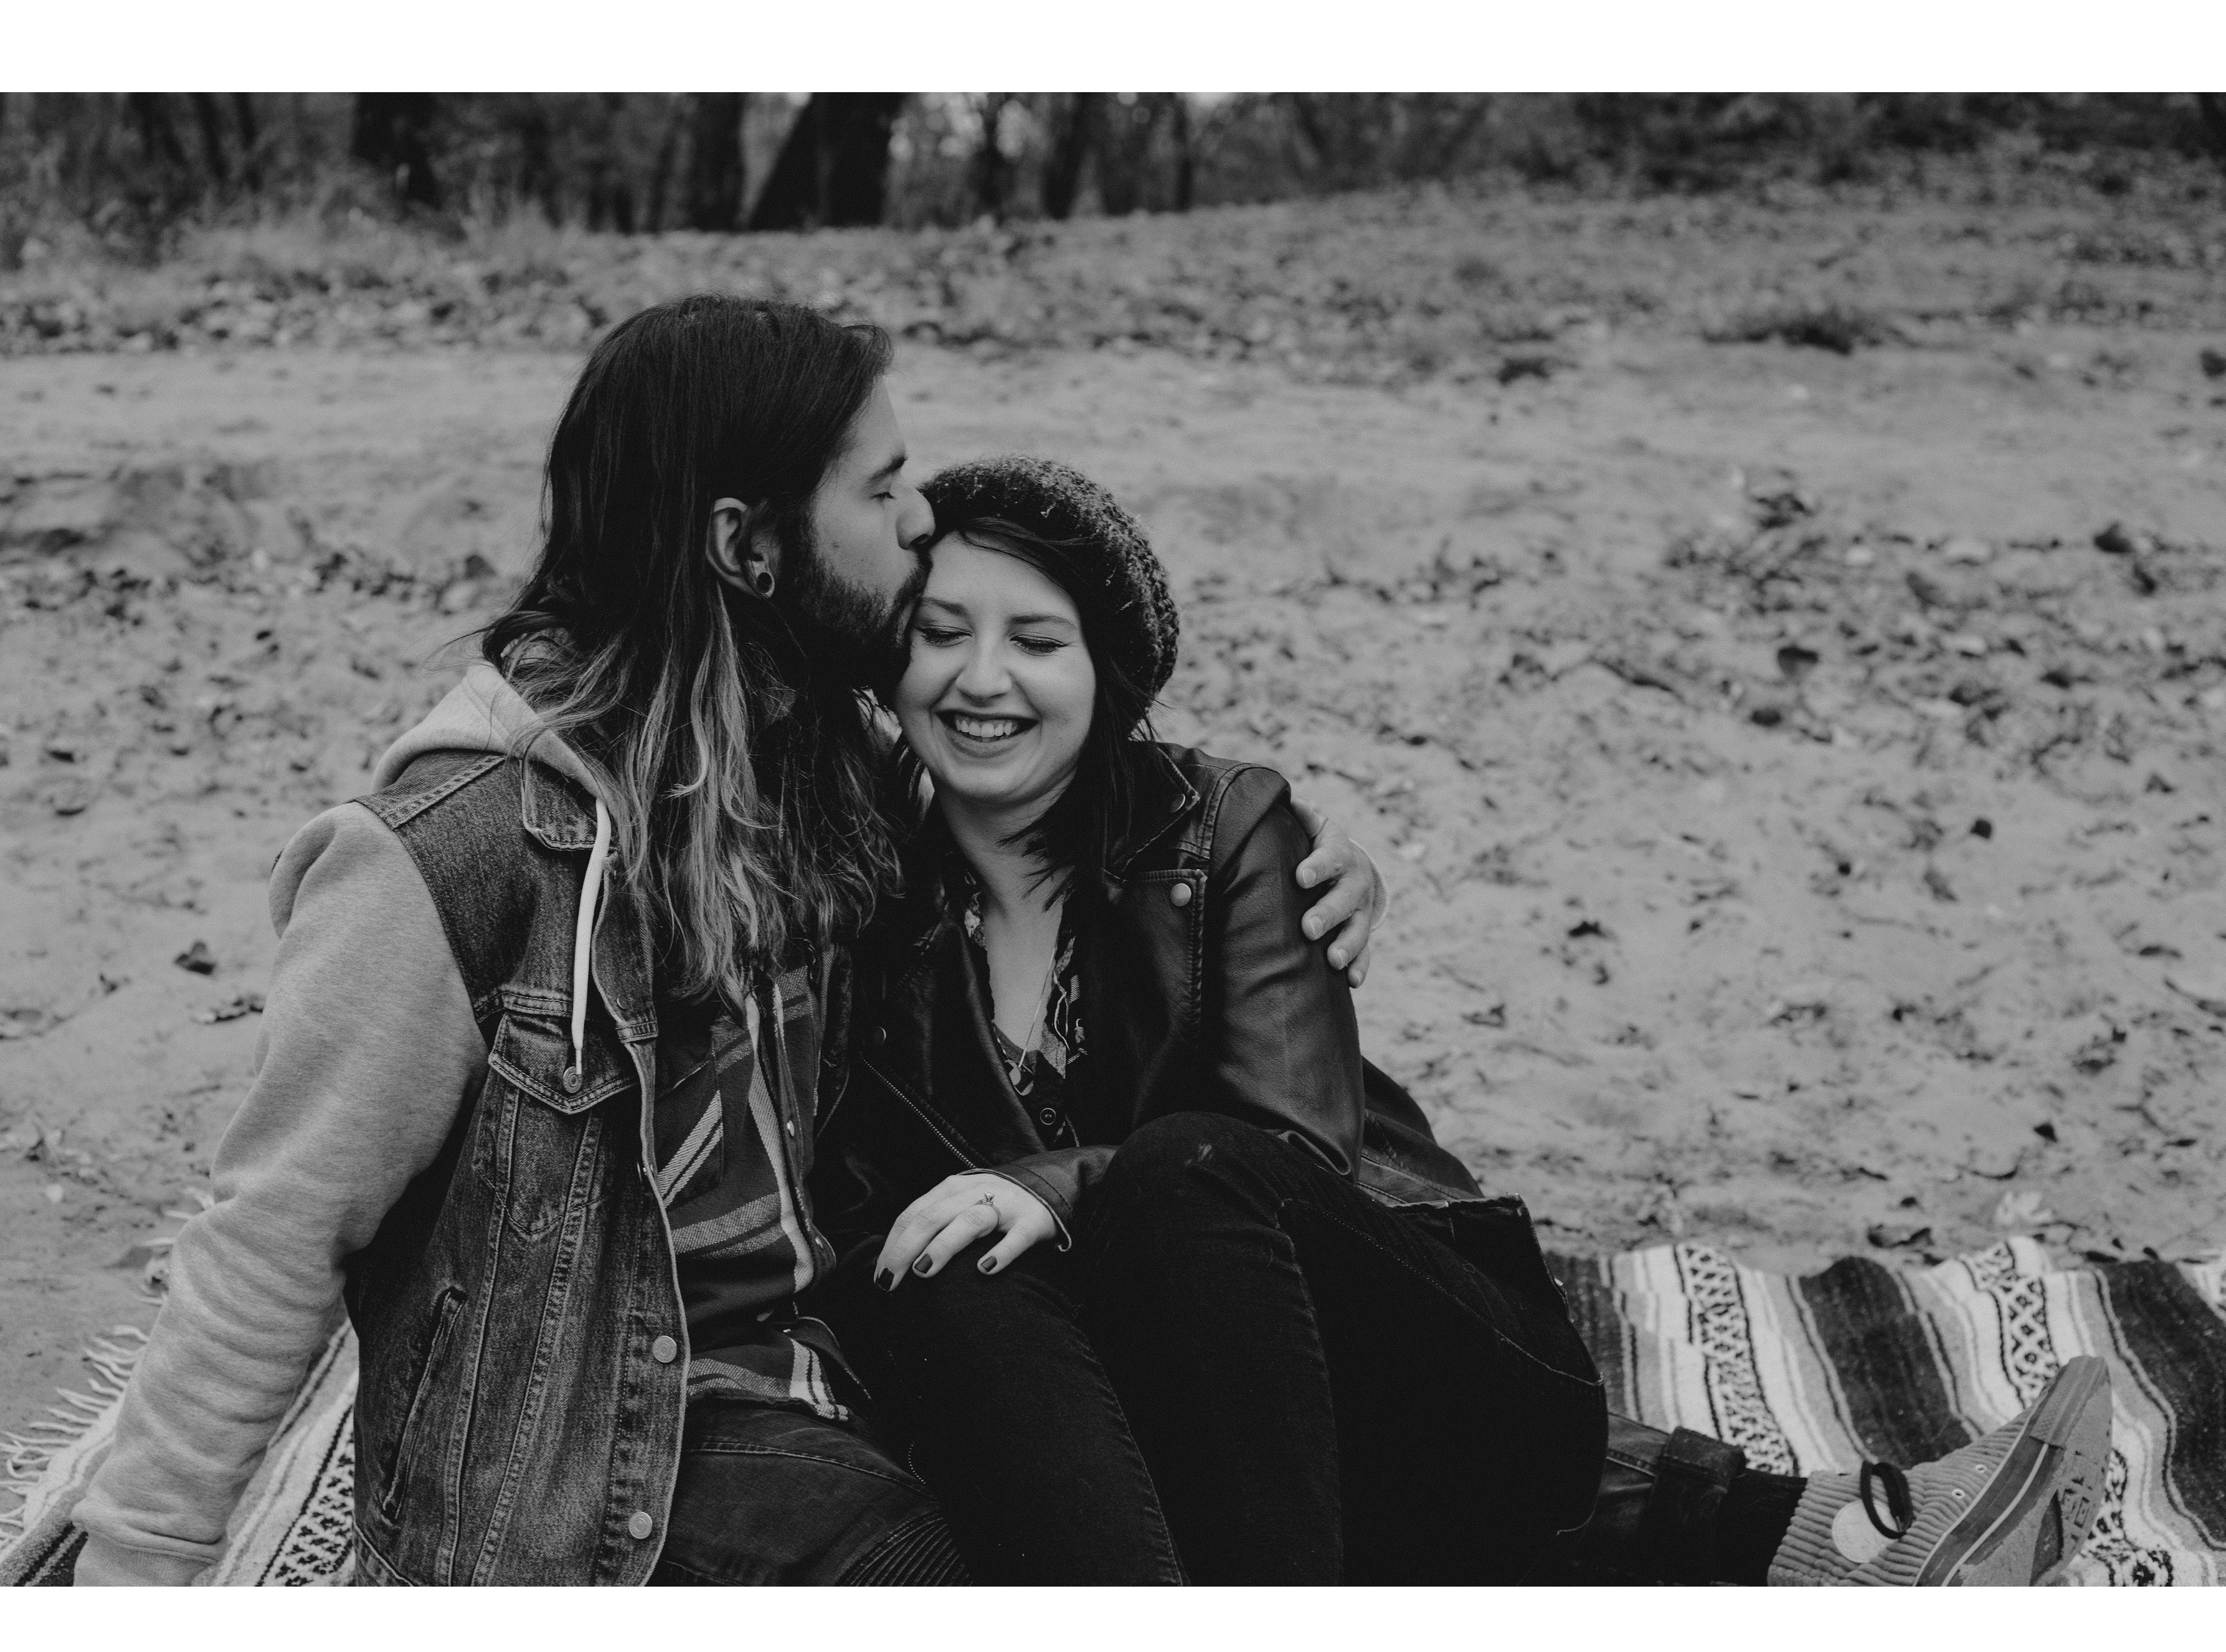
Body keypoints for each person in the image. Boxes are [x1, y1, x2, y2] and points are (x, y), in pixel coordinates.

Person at [69, 298, 1387, 1587]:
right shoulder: (450, 859)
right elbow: (271, 1240)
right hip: (622, 1460)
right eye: (880, 492)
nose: (920, 519)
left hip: (852, 1366)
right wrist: (136, 1578)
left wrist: (1283, 843)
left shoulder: (824, 765)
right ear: (745, 547)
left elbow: (1045, 747)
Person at [812, 456, 2116, 1585]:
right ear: (892, 662)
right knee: (945, 1279)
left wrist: (1051, 1184)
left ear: (1107, 674)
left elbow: (1282, 1155)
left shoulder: (1223, 836)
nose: (982, 680)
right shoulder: (862, 910)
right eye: (942, 634)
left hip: (1433, 1373)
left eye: (1036, 642)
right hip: (1169, 1442)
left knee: (1176, 1173)